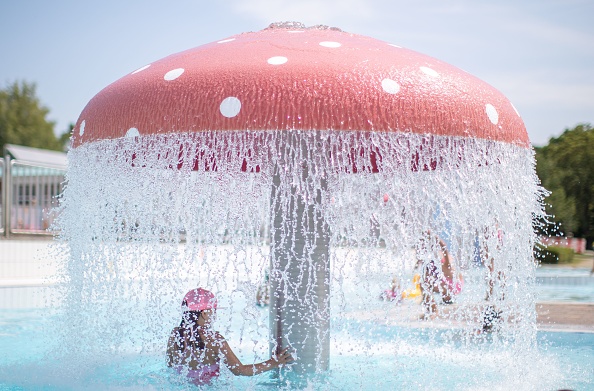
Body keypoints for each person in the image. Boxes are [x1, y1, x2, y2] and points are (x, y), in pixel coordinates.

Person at [167, 288, 293, 385]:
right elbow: (240, 370)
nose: (214, 315)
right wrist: (273, 363)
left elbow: (170, 365)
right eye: (213, 310)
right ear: (205, 313)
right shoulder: (215, 340)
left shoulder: (175, 335)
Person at [418, 232, 464, 319]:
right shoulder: (444, 263)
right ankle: (430, 304)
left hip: (452, 286)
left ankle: (433, 310)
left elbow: (444, 247)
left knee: (423, 284)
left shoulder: (447, 264)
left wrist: (434, 236)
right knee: (425, 279)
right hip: (455, 285)